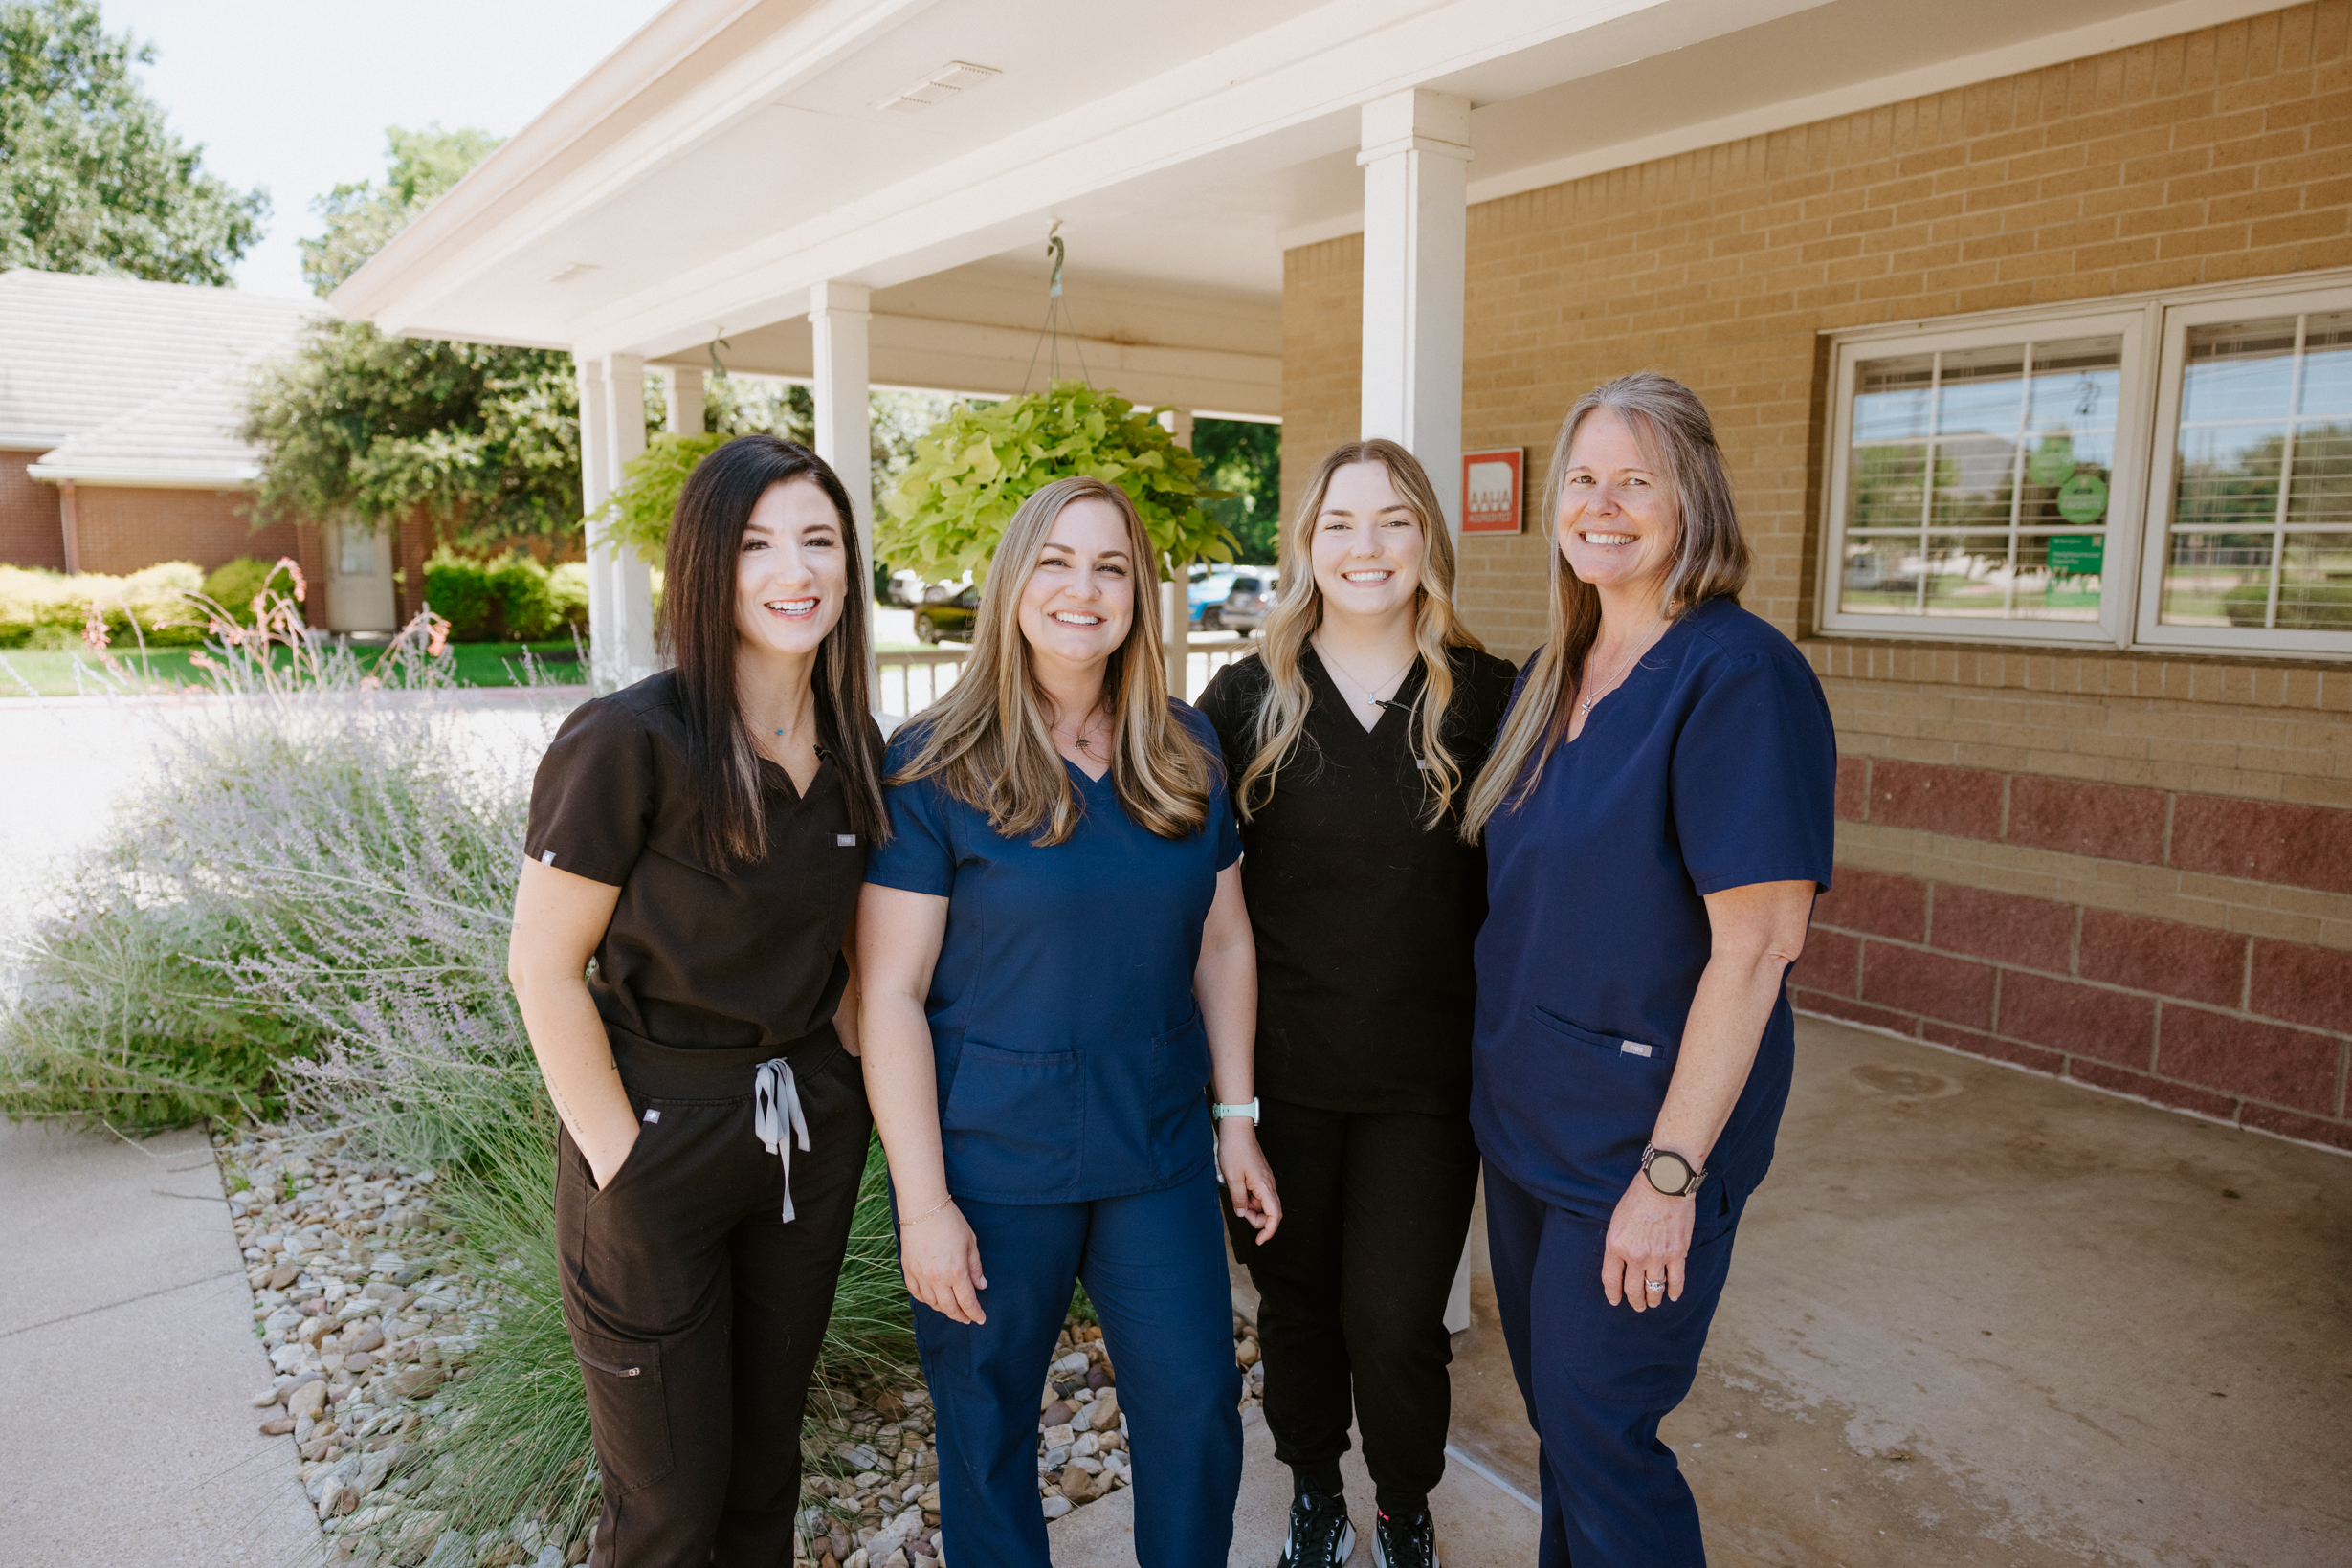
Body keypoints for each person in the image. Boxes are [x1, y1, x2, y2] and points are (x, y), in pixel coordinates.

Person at [857, 475, 1282, 1568]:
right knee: (986, 1426)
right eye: (1055, 561)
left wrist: (1235, 1116)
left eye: (1109, 566)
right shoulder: (931, 763)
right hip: (992, 1161)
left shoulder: (1183, 747)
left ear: (1140, 593)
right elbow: (890, 994)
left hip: (1154, 1146)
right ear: (1011, 582)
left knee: (1195, 1408)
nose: (1081, 589)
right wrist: (922, 1206)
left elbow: (1224, 941)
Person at [1460, 373, 1836, 1568]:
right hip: (1527, 1128)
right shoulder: (1550, 674)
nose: (1601, 504)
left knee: (1603, 1434)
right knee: (1565, 1428)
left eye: (1636, 480)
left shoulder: (1736, 676)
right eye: (1582, 479)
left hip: (1635, 1145)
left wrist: (1668, 1177)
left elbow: (1760, 947)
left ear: (1694, 500)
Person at [507, 436, 887, 1568]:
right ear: (708, 566)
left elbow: (858, 966)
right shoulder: (630, 739)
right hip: (657, 1147)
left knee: (766, 1473)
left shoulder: (858, 748)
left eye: (819, 541)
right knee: (668, 1507)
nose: (795, 570)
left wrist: (858, 1108)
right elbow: (541, 966)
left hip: (802, 1141)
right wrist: (621, 1157)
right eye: (759, 543)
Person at [1196, 440, 1515, 1568]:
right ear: (1306, 545)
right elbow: (1195, 904)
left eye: (1391, 521)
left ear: (1428, 537)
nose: (1365, 546)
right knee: (1295, 1312)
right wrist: (1224, 1105)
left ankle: (1404, 1504)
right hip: (1276, 1078)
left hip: (1426, 1085)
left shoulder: (1492, 699)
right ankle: (1317, 1492)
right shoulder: (1243, 700)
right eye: (1340, 523)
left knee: (1392, 1323)